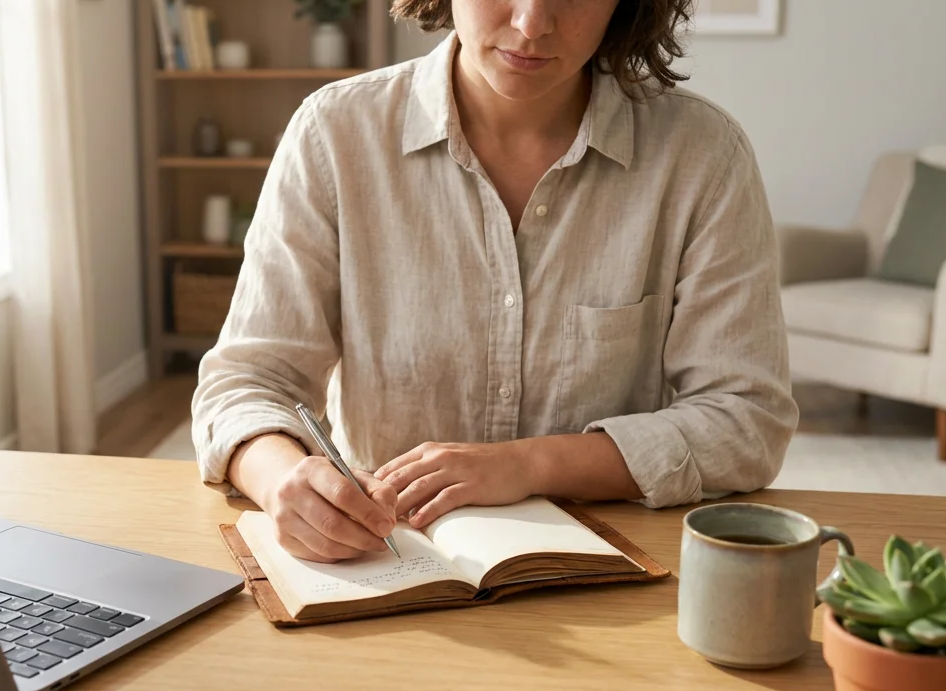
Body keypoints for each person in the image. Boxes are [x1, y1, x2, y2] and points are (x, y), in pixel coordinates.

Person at [191, 0, 799, 563]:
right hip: (386, 557)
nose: (533, 22)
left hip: (616, 565)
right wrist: (281, 481)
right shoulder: (335, 134)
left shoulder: (702, 155)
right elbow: (247, 382)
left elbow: (746, 419)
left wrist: (532, 464)